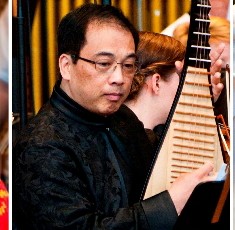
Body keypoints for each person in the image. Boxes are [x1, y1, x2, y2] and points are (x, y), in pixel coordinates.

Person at [13, 4, 217, 229]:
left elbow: (161, 162)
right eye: (104, 64)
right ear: (66, 65)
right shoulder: (41, 145)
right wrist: (168, 205)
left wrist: (196, 104)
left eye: (128, 65)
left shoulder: (123, 120)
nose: (119, 78)